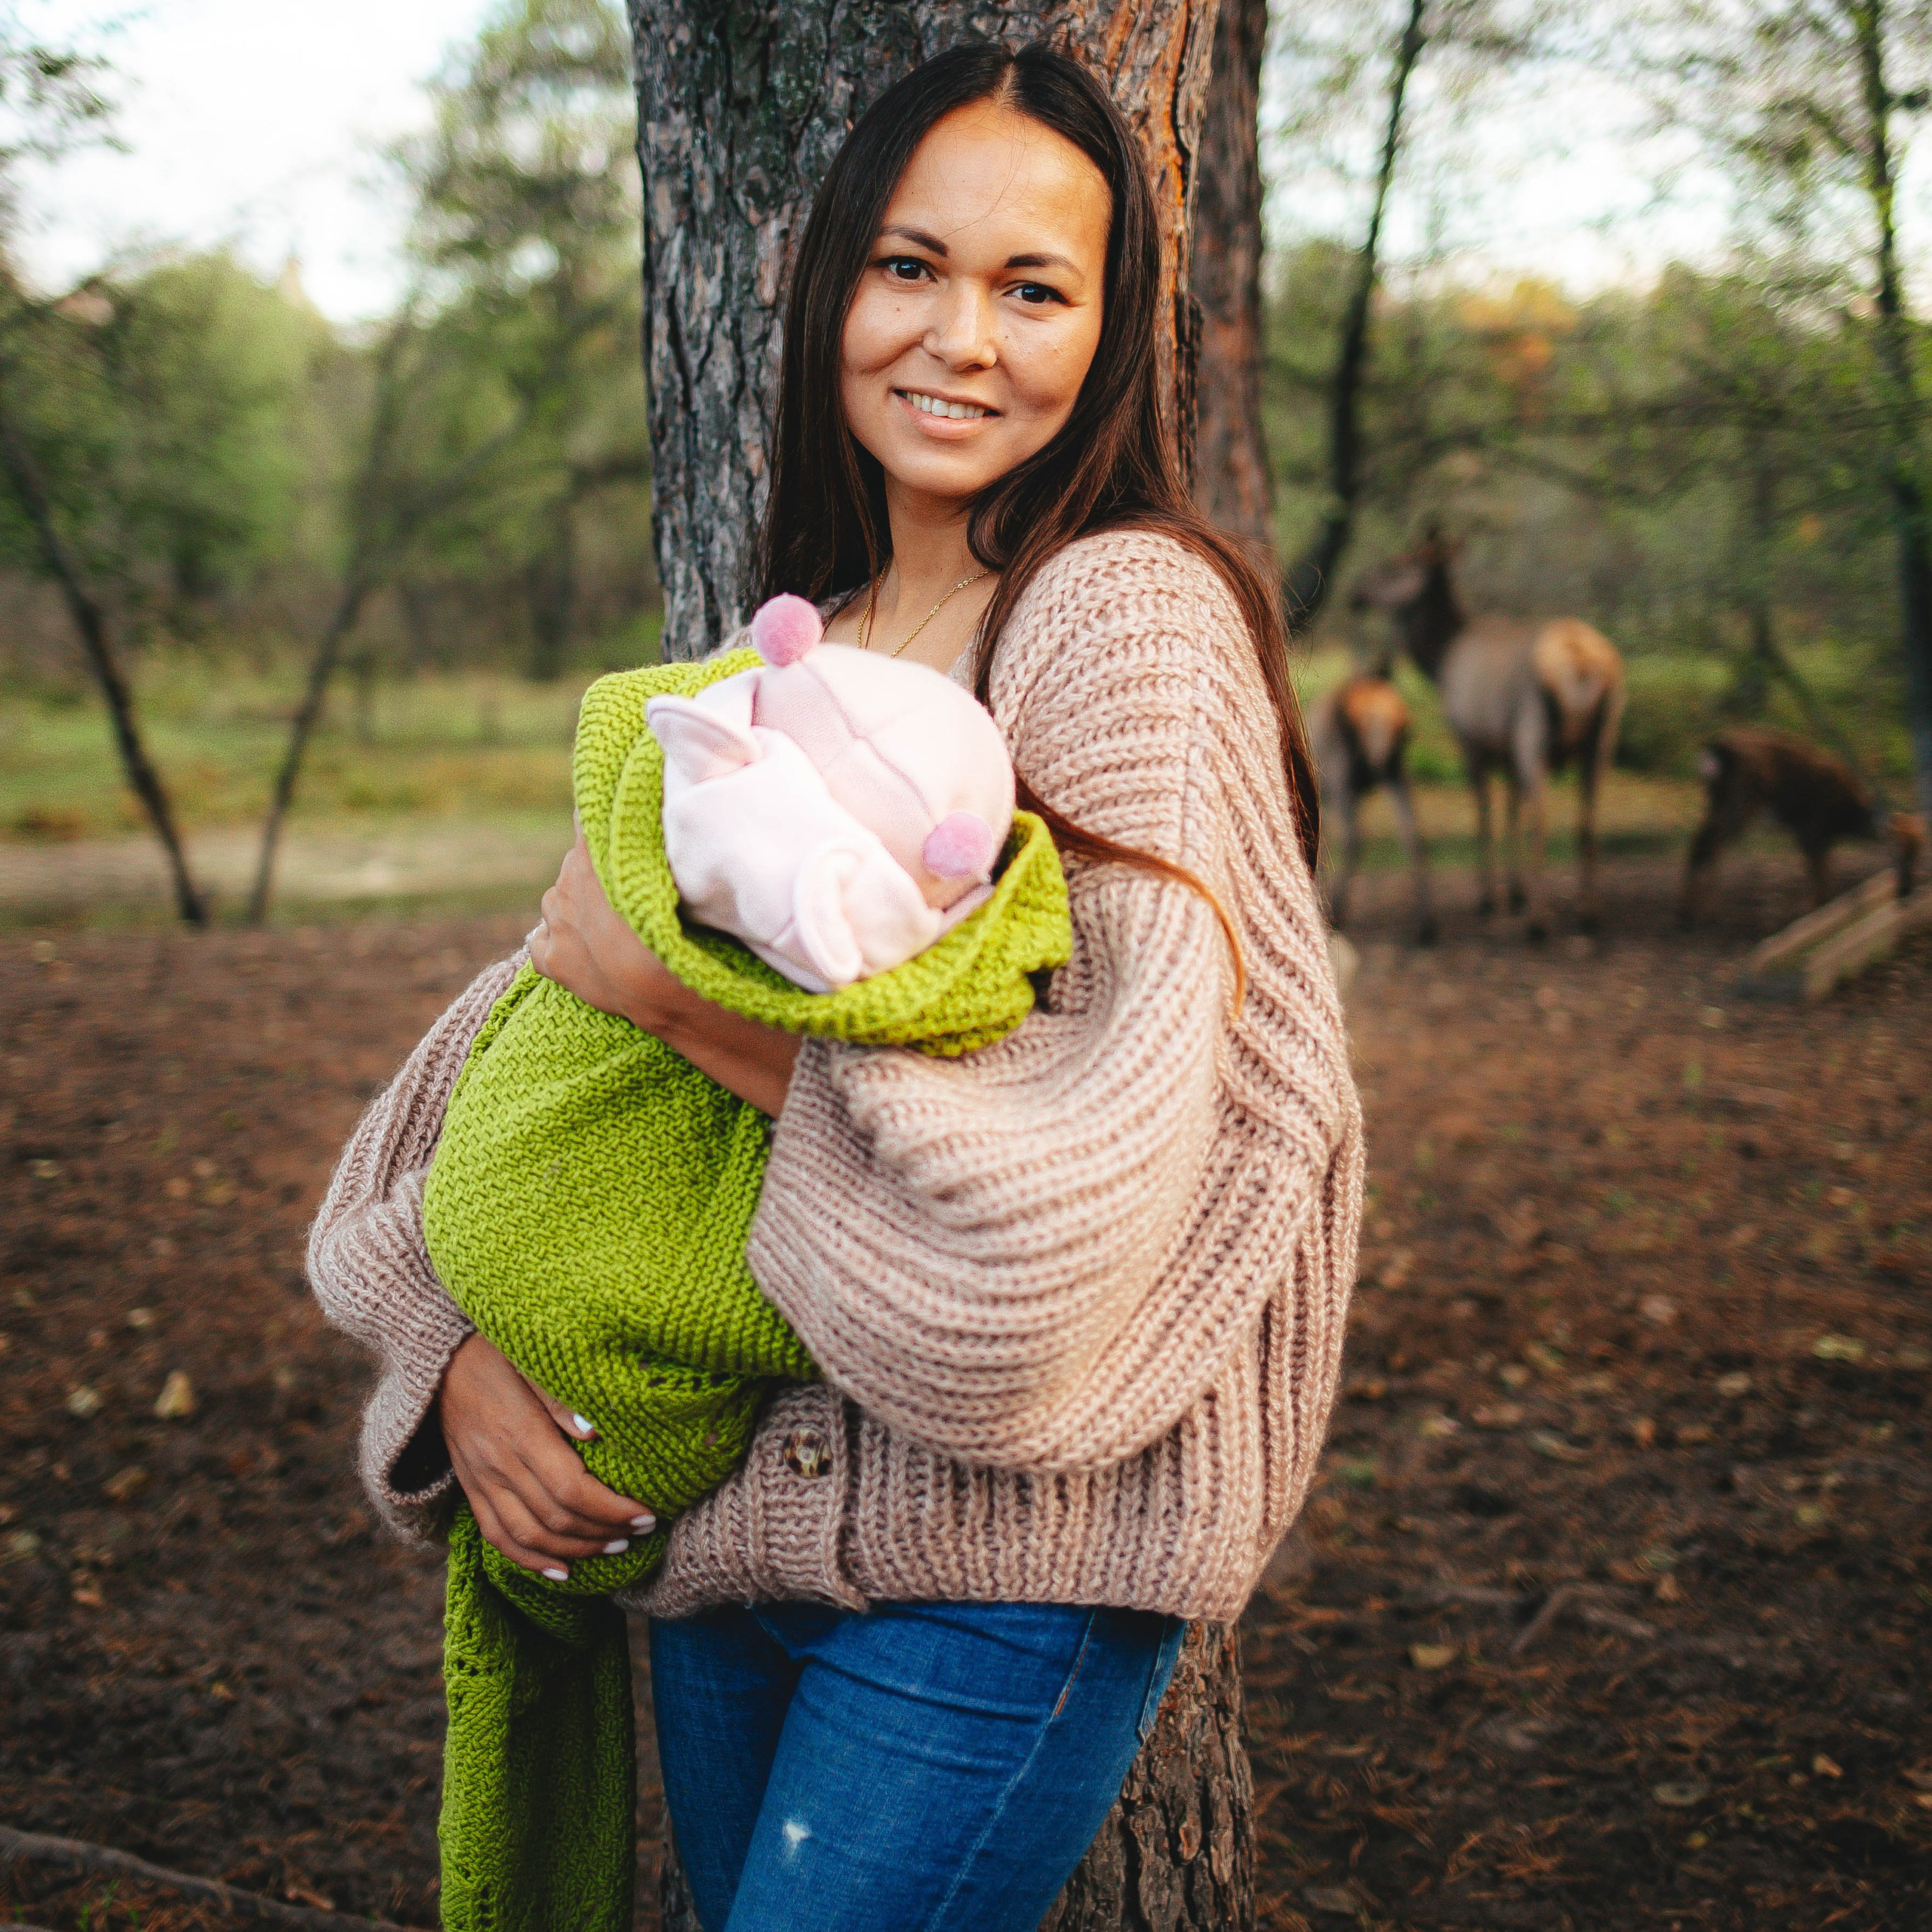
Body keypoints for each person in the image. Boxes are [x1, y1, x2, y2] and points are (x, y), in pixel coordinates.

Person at [309, 40, 1361, 1932]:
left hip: (997, 1573)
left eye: (1030, 288)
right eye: (908, 266)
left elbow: (1043, 1258)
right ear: (828, 289)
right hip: (728, 1556)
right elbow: (486, 1081)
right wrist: (452, 1361)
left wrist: (682, 1008)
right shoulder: (782, 659)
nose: (959, 338)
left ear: (1106, 332)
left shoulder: (1120, 615)